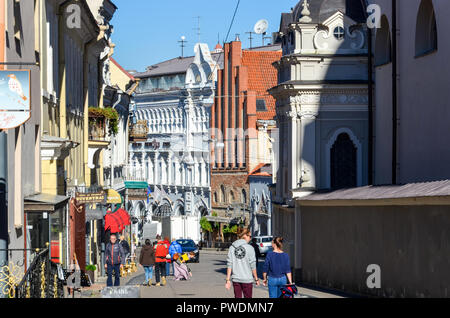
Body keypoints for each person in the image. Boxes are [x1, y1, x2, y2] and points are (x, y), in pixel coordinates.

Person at [225, 228, 259, 298]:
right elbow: (253, 265)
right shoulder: (250, 248)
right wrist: (256, 278)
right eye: (250, 236)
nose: (250, 238)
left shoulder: (232, 247)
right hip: (247, 279)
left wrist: (228, 279)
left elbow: (229, 264)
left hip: (236, 279)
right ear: (245, 236)